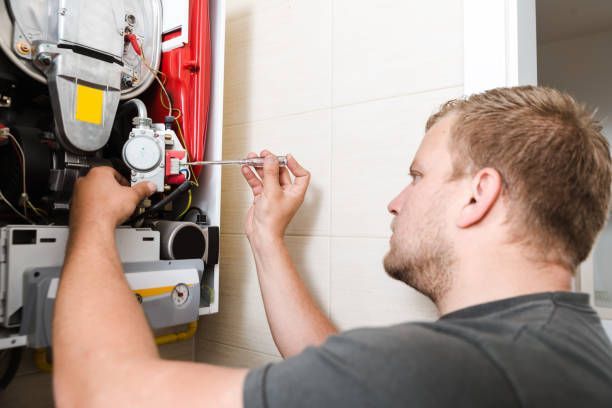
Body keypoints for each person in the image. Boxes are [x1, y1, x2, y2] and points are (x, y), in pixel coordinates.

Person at [52, 86, 612, 407]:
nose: (397, 201)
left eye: (417, 177)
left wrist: (93, 224)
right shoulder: (568, 344)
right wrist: (266, 235)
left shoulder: (440, 370)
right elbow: (332, 374)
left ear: (478, 196)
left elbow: (98, 391)